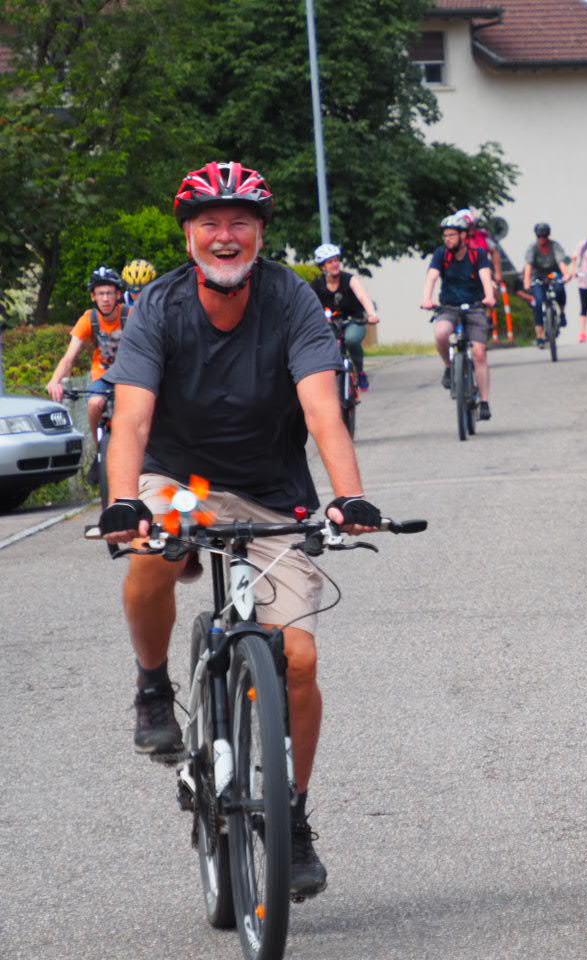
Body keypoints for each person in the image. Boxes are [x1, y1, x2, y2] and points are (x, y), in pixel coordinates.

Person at [98, 160, 384, 899]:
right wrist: (124, 501)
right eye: (210, 223)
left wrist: (350, 496)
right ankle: (153, 685)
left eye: (241, 223)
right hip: (185, 483)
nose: (225, 236)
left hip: (272, 493)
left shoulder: (291, 299)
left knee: (299, 660)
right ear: (188, 235)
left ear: (260, 233)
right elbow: (131, 417)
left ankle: (292, 814)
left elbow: (321, 408)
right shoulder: (158, 307)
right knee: (152, 554)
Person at [45, 266, 130, 485]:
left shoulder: (130, 315)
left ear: (118, 295)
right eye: (100, 293)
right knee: (94, 404)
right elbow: (69, 357)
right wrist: (54, 381)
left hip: (130, 374)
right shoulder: (89, 319)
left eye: (109, 293)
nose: (105, 298)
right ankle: (100, 447)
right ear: (93, 296)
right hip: (103, 374)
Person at [421, 214, 496, 419]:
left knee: (479, 353)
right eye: (445, 236)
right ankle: (449, 367)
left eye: (452, 235)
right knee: (441, 334)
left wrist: (489, 296)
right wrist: (426, 299)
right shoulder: (441, 254)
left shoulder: (477, 254)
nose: (447, 239)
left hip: (475, 307)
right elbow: (432, 276)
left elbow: (485, 276)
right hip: (449, 307)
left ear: (463, 235)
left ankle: (484, 402)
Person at [310, 243, 380, 391]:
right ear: (322, 267)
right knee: (326, 346)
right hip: (330, 323)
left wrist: (371, 314)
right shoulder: (316, 285)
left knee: (351, 340)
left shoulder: (350, 279)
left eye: (336, 260)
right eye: (330, 262)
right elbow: (309, 305)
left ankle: (360, 372)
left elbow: (363, 296)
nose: (335, 264)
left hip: (354, 320)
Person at [521, 223, 571, 347]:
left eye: (544, 236)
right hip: (538, 275)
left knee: (559, 288)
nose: (542, 239)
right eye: (539, 236)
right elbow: (528, 265)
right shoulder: (533, 248)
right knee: (538, 302)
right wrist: (526, 281)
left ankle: (562, 313)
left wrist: (566, 274)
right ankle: (539, 336)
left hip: (553, 273)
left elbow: (561, 262)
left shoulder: (555, 246)